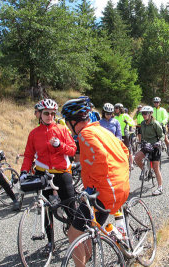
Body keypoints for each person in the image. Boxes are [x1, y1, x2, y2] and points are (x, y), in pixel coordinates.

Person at [61, 97, 130, 266]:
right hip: (119, 187)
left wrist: (91, 186)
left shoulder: (85, 134)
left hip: (103, 192)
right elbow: (124, 150)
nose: (67, 126)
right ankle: (92, 256)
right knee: (90, 229)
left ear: (73, 121)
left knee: (73, 234)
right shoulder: (101, 129)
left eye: (66, 122)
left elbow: (100, 159)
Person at [20, 99, 77, 252]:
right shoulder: (34, 134)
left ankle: (78, 239)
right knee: (46, 209)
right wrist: (24, 172)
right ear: (39, 114)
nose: (50, 116)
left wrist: (60, 145)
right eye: (46, 113)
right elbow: (28, 155)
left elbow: (73, 150)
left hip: (62, 172)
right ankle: (50, 241)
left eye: (53, 113)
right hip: (42, 173)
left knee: (70, 207)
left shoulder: (62, 129)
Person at [134, 106, 164, 196]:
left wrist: (159, 142)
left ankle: (160, 187)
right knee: (136, 158)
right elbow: (142, 135)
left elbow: (162, 135)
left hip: (155, 146)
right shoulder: (142, 123)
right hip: (146, 145)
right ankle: (147, 171)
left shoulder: (155, 123)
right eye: (143, 113)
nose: (144, 115)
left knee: (156, 167)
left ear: (150, 114)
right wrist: (140, 142)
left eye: (146, 113)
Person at [114, 103, 135, 167]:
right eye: (115, 108)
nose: (115, 109)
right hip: (117, 135)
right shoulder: (115, 117)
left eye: (117, 108)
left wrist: (127, 122)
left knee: (128, 149)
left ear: (120, 109)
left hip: (125, 135)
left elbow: (133, 123)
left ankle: (131, 163)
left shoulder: (125, 115)